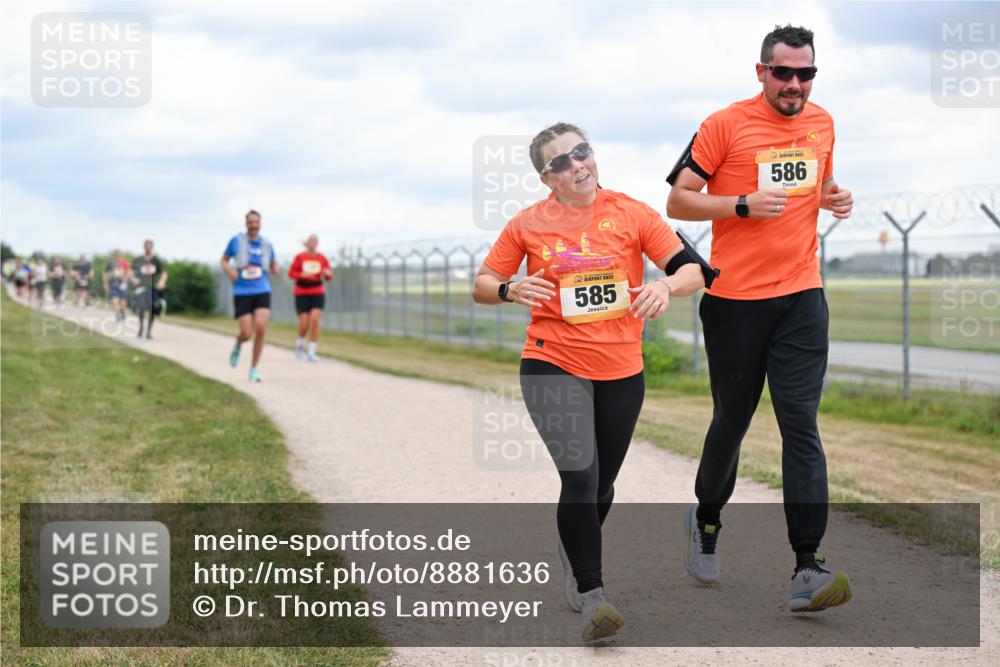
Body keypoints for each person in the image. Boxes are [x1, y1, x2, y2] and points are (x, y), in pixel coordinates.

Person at [474, 123, 708, 642]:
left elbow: (693, 270)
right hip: (550, 361)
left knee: (602, 484)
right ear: (546, 177)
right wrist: (511, 288)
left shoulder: (632, 213)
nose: (577, 164)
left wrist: (665, 285)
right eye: (562, 161)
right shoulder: (528, 223)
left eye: (582, 152)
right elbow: (483, 284)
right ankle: (593, 595)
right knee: (580, 475)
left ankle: (574, 547)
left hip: (622, 369)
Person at [666, 24, 854, 612]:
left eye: (806, 73)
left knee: (800, 423)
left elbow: (815, 185)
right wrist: (740, 204)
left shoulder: (822, 122)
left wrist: (833, 198)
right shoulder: (725, 124)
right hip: (735, 303)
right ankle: (707, 518)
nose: (795, 83)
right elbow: (678, 199)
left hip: (802, 295)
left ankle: (807, 565)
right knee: (733, 421)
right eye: (784, 72)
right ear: (761, 72)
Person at [221, 210, 279, 382]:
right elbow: (223, 260)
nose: (254, 225)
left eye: (256, 222)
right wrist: (230, 270)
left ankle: (253, 368)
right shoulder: (236, 241)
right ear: (246, 224)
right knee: (247, 333)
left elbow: (273, 262)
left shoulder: (267, 244)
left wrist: (276, 268)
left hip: (262, 290)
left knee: (261, 328)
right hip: (242, 292)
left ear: (260, 224)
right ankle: (239, 344)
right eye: (251, 222)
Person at [288, 234, 333, 362]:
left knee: (315, 321)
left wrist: (328, 274)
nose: (312, 243)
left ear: (317, 243)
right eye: (310, 241)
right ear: (307, 243)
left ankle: (312, 351)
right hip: (301, 292)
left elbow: (329, 276)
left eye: (315, 241)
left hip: (317, 291)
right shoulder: (300, 257)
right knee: (304, 324)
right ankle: (300, 343)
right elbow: (291, 273)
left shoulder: (322, 258)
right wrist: (302, 274)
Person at [131, 240, 168, 339]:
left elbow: (164, 272)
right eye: (146, 246)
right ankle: (141, 327)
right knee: (141, 307)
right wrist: (134, 280)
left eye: (150, 246)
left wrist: (162, 281)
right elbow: (131, 272)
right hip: (141, 287)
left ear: (152, 247)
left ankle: (148, 331)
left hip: (153, 287)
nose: (148, 248)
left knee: (153, 308)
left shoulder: (156, 260)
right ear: (144, 247)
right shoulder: (139, 259)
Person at [104, 249, 132, 321]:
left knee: (122, 303)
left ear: (121, 255)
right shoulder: (110, 263)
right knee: (114, 301)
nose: (117, 256)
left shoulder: (125, 263)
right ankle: (118, 314)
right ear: (113, 255)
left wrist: (124, 278)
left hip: (122, 285)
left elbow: (129, 272)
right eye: (116, 255)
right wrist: (105, 284)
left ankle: (122, 311)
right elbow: (105, 274)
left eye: (119, 255)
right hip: (113, 285)